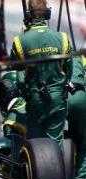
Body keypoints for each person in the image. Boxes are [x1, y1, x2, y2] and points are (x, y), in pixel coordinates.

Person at [9, 0, 73, 147]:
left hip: (35, 98)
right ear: (48, 14)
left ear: (28, 15)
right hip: (58, 98)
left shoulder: (20, 41)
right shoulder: (62, 38)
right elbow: (69, 68)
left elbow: (16, 71)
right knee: (56, 143)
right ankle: (58, 169)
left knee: (36, 145)